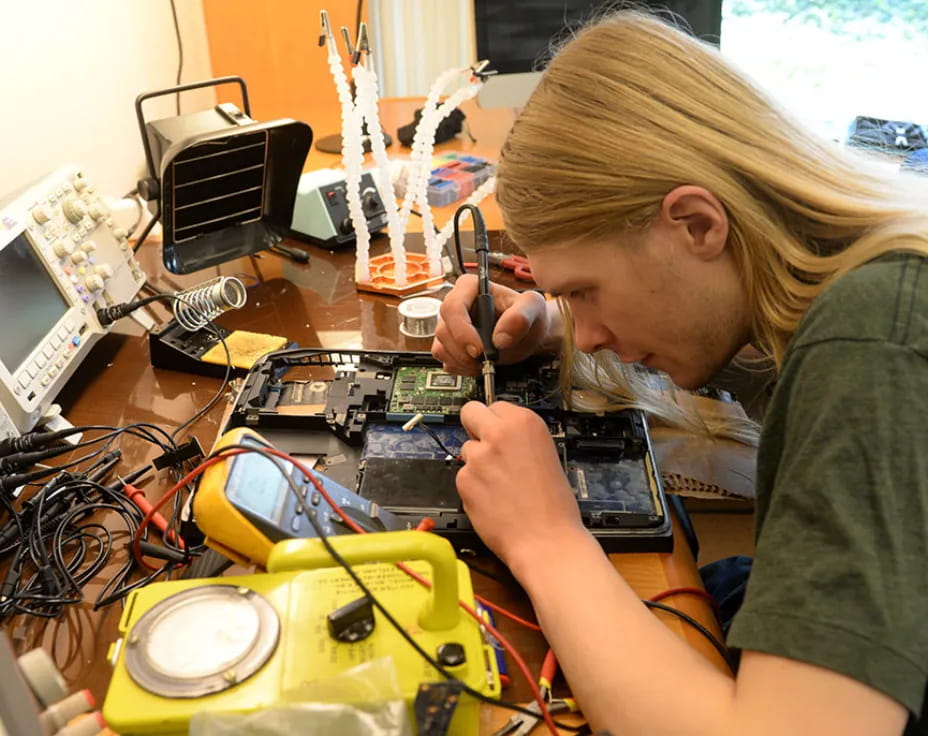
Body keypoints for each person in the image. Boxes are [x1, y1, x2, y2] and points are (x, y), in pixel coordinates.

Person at [431, 9, 928, 736]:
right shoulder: (847, 282)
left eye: (585, 291)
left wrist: (545, 538)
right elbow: (761, 365)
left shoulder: (873, 345)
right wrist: (550, 328)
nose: (587, 332)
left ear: (696, 224)